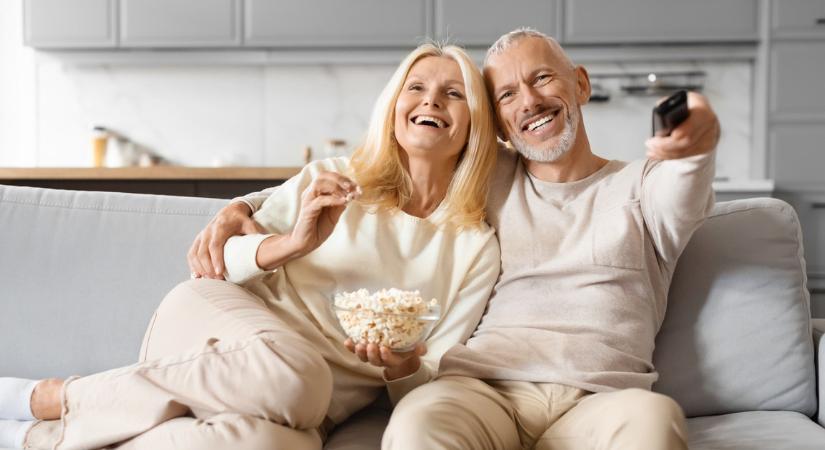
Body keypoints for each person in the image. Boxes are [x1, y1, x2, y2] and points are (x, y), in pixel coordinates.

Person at [0, 42, 501, 450]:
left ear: (474, 122)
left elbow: (434, 367)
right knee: (301, 375)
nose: (431, 100)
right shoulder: (336, 179)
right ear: (394, 107)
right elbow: (219, 264)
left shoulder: (474, 246)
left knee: (272, 445)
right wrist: (294, 241)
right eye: (417, 87)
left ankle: (32, 437)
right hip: (216, 325)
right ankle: (48, 397)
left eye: (453, 93)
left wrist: (402, 366)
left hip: (304, 409)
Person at [380, 29, 720, 450]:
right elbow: (406, 151)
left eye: (541, 78)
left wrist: (698, 130)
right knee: (418, 422)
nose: (529, 101)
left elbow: (685, 179)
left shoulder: (643, 186)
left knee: (655, 419)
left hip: (601, 401)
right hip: (484, 391)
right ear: (498, 124)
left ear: (580, 84)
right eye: (506, 95)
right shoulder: (484, 178)